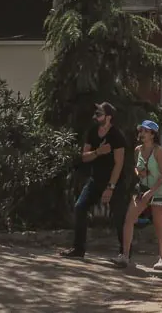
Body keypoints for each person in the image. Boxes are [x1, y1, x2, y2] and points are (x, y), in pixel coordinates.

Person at [61, 102, 128, 259]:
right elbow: (84, 157)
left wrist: (110, 188)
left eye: (99, 114)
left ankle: (125, 253)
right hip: (95, 180)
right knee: (80, 207)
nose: (95, 116)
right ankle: (78, 249)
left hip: (115, 182)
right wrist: (98, 152)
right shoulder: (92, 132)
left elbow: (119, 164)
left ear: (108, 117)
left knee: (119, 216)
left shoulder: (116, 136)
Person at [115, 120, 162, 270]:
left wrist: (151, 192)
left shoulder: (158, 151)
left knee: (159, 226)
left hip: (158, 191)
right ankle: (125, 256)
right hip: (142, 188)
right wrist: (139, 172)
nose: (142, 134)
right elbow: (136, 168)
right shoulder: (138, 150)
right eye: (141, 131)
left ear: (152, 134)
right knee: (129, 219)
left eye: (145, 131)